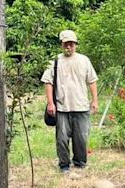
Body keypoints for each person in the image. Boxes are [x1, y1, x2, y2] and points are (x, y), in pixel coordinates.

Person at [41, 30, 98, 173]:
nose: (69, 47)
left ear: (76, 45)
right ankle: (64, 165)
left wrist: (95, 100)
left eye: (71, 44)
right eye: (66, 44)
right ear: (62, 44)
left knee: (81, 138)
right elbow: (48, 82)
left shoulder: (84, 60)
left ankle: (80, 163)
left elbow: (92, 81)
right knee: (61, 139)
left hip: (81, 106)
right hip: (61, 107)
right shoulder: (54, 61)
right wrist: (50, 103)